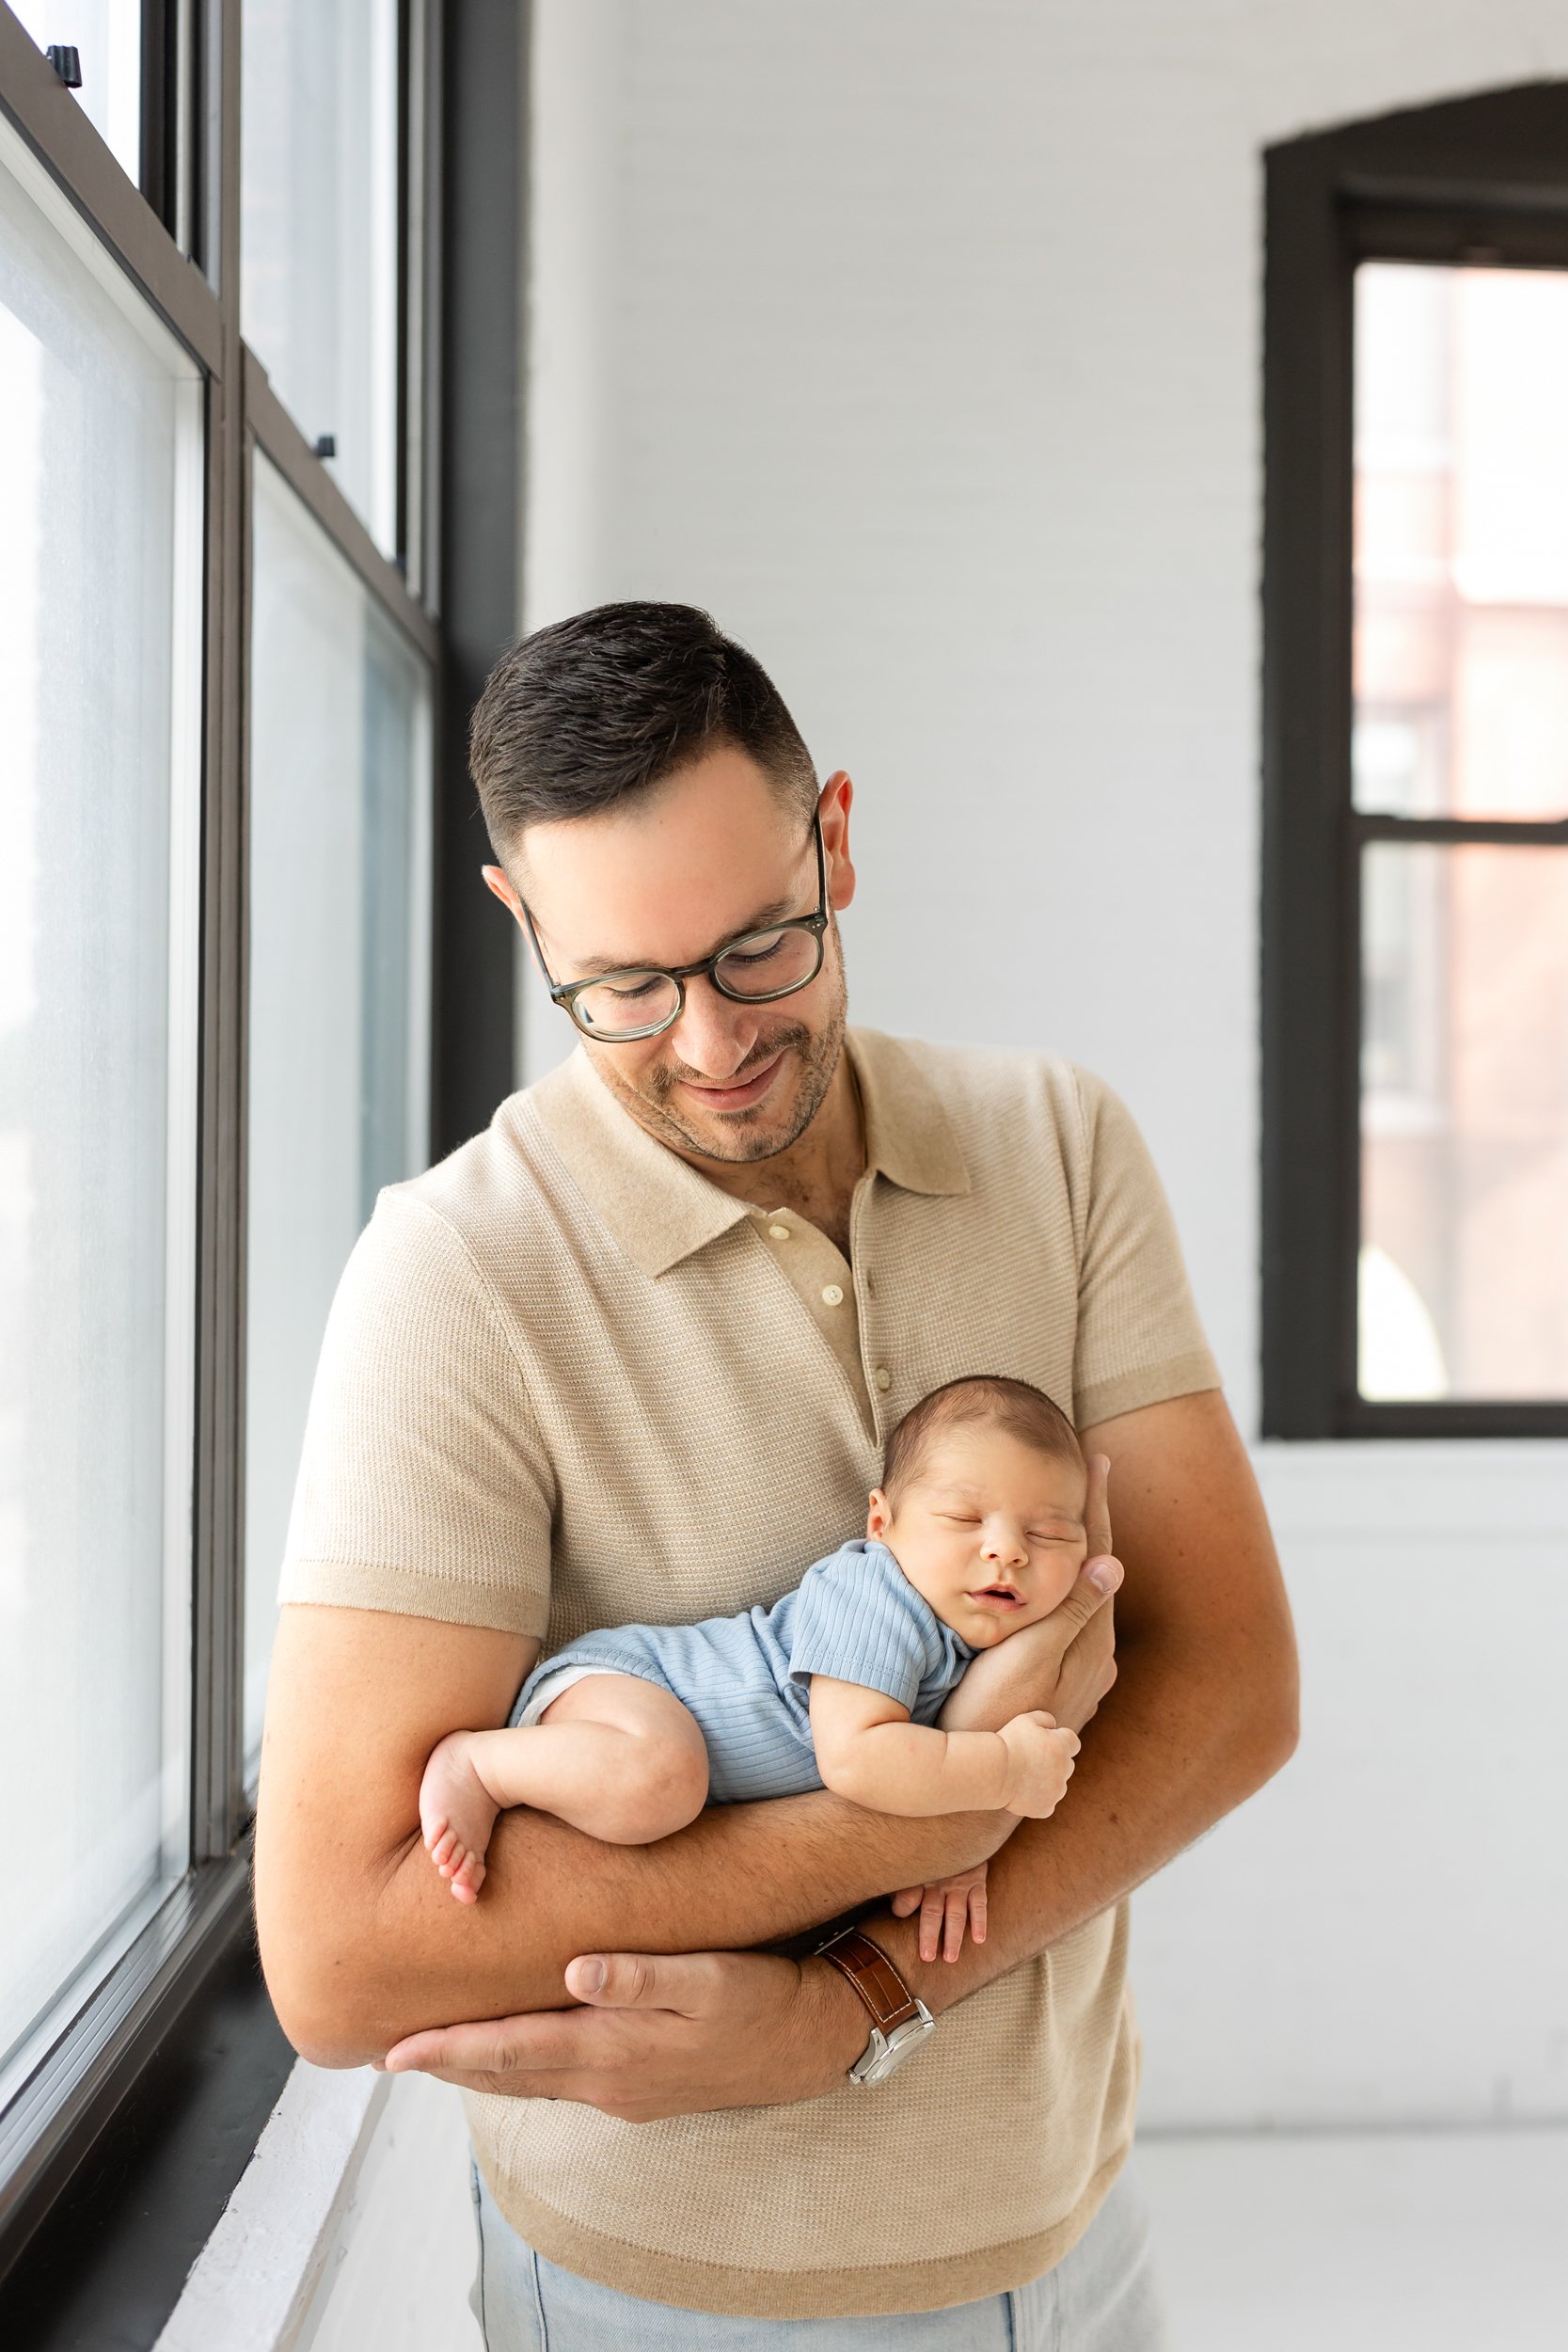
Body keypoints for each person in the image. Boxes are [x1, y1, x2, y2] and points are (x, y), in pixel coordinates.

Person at [254, 600, 1299, 2349]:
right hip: (683, 2299)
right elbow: (344, 1956)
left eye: (759, 950)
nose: (711, 1044)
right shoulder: (454, 1276)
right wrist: (942, 1810)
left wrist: (864, 1998)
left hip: (1070, 2227)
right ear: (521, 920)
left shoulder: (1060, 1141)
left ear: (834, 836)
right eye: (623, 987)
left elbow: (1232, 1682)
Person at [418, 1376, 1090, 1957]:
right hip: (631, 1687)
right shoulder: (875, 1596)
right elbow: (859, 1759)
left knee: (668, 1797)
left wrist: (959, 1854)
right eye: (962, 1518)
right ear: (881, 1523)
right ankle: (480, 1765)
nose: (1006, 1551)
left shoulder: (976, 1638)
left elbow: (937, 1766)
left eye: (1048, 1533)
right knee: (659, 1779)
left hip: (648, 1721)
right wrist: (1002, 1774)